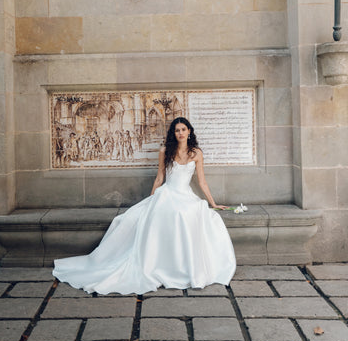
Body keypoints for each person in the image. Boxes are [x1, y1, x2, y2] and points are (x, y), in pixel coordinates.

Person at [53, 117, 236, 295]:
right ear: (174, 133)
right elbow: (160, 177)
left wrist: (213, 203)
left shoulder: (196, 153)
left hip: (186, 195)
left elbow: (202, 182)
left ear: (189, 132)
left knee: (193, 213)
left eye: (183, 129)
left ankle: (184, 267)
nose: (180, 133)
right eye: (177, 130)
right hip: (167, 193)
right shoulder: (166, 150)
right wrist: (151, 200)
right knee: (172, 213)